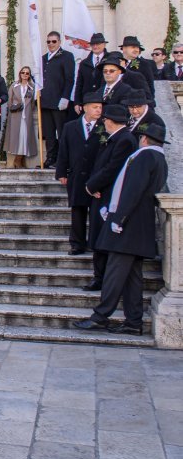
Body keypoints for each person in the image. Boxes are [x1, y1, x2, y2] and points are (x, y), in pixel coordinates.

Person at [74, 123, 168, 335]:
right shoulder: (159, 158)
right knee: (133, 277)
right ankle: (133, 321)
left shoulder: (144, 157)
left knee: (114, 274)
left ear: (144, 139)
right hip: (139, 226)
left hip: (128, 226)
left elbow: (132, 190)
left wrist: (118, 218)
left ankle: (100, 316)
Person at [83, 103, 137, 291]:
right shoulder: (115, 138)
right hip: (101, 193)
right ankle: (99, 277)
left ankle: (102, 279)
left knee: (103, 239)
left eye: (105, 119)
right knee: (98, 238)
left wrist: (92, 185)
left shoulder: (125, 140)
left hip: (109, 196)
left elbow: (113, 169)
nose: (103, 121)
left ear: (111, 121)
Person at [56, 92, 104, 256]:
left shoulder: (104, 127)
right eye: (95, 107)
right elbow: (64, 150)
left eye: (100, 107)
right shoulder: (71, 126)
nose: (99, 110)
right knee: (77, 209)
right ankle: (77, 243)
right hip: (77, 174)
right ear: (85, 108)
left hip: (96, 174)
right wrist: (61, 171)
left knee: (96, 210)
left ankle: (95, 241)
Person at [40, 31, 76, 168]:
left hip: (59, 101)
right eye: (48, 42)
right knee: (49, 134)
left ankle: (62, 160)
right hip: (45, 101)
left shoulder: (66, 56)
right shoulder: (43, 58)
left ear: (59, 42)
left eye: (53, 41)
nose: (51, 44)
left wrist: (65, 97)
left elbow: (70, 79)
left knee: (61, 133)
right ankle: (50, 158)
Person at [4, 66, 39, 168]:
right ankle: (16, 160)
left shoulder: (32, 88)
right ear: (20, 73)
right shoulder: (14, 86)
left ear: (29, 75)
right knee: (16, 139)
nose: (24, 74)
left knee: (25, 138)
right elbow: (9, 100)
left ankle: (20, 159)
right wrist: (14, 107)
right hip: (16, 116)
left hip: (26, 116)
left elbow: (32, 104)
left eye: (27, 73)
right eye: (23, 72)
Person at [119, 35, 156, 102]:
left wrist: (150, 103)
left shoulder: (144, 64)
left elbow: (150, 86)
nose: (136, 50)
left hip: (135, 103)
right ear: (124, 48)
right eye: (133, 47)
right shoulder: (116, 63)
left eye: (137, 48)